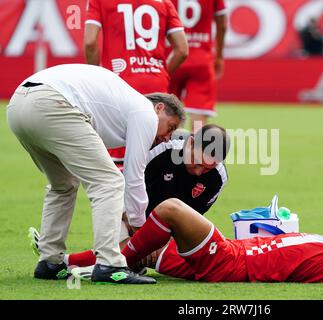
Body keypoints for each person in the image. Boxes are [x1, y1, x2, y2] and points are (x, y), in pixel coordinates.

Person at [7, 63, 185, 284]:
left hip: (18, 105)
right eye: (171, 127)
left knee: (63, 185)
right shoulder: (145, 112)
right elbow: (134, 175)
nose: (168, 137)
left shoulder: (120, 105)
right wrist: (140, 228)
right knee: (109, 182)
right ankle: (110, 264)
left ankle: (50, 262)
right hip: (52, 103)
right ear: (159, 108)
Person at [29, 124, 230, 269]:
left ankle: (64, 262)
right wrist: (139, 230)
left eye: (207, 168)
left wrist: (160, 243)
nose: (198, 172)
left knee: (133, 257)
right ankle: (60, 261)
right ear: (191, 142)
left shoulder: (217, 178)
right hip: (130, 213)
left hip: (166, 228)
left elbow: (190, 220)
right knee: (120, 254)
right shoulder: (162, 150)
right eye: (196, 163)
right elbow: (120, 187)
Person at [69, 199, 323, 283]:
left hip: (231, 262)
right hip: (234, 252)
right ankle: (65, 264)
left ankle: (115, 265)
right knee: (145, 246)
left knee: (170, 209)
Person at [84, 0, 189, 169]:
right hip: (156, 83)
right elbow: (182, 49)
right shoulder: (164, 2)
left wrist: (96, 79)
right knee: (150, 157)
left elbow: (90, 42)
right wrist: (163, 73)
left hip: (119, 82)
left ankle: (115, 195)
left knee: (117, 158)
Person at [169, 0, 228, 131]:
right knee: (199, 115)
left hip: (172, 58)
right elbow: (222, 23)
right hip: (201, 60)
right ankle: (197, 149)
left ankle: (165, 149)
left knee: (166, 112)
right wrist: (219, 56)